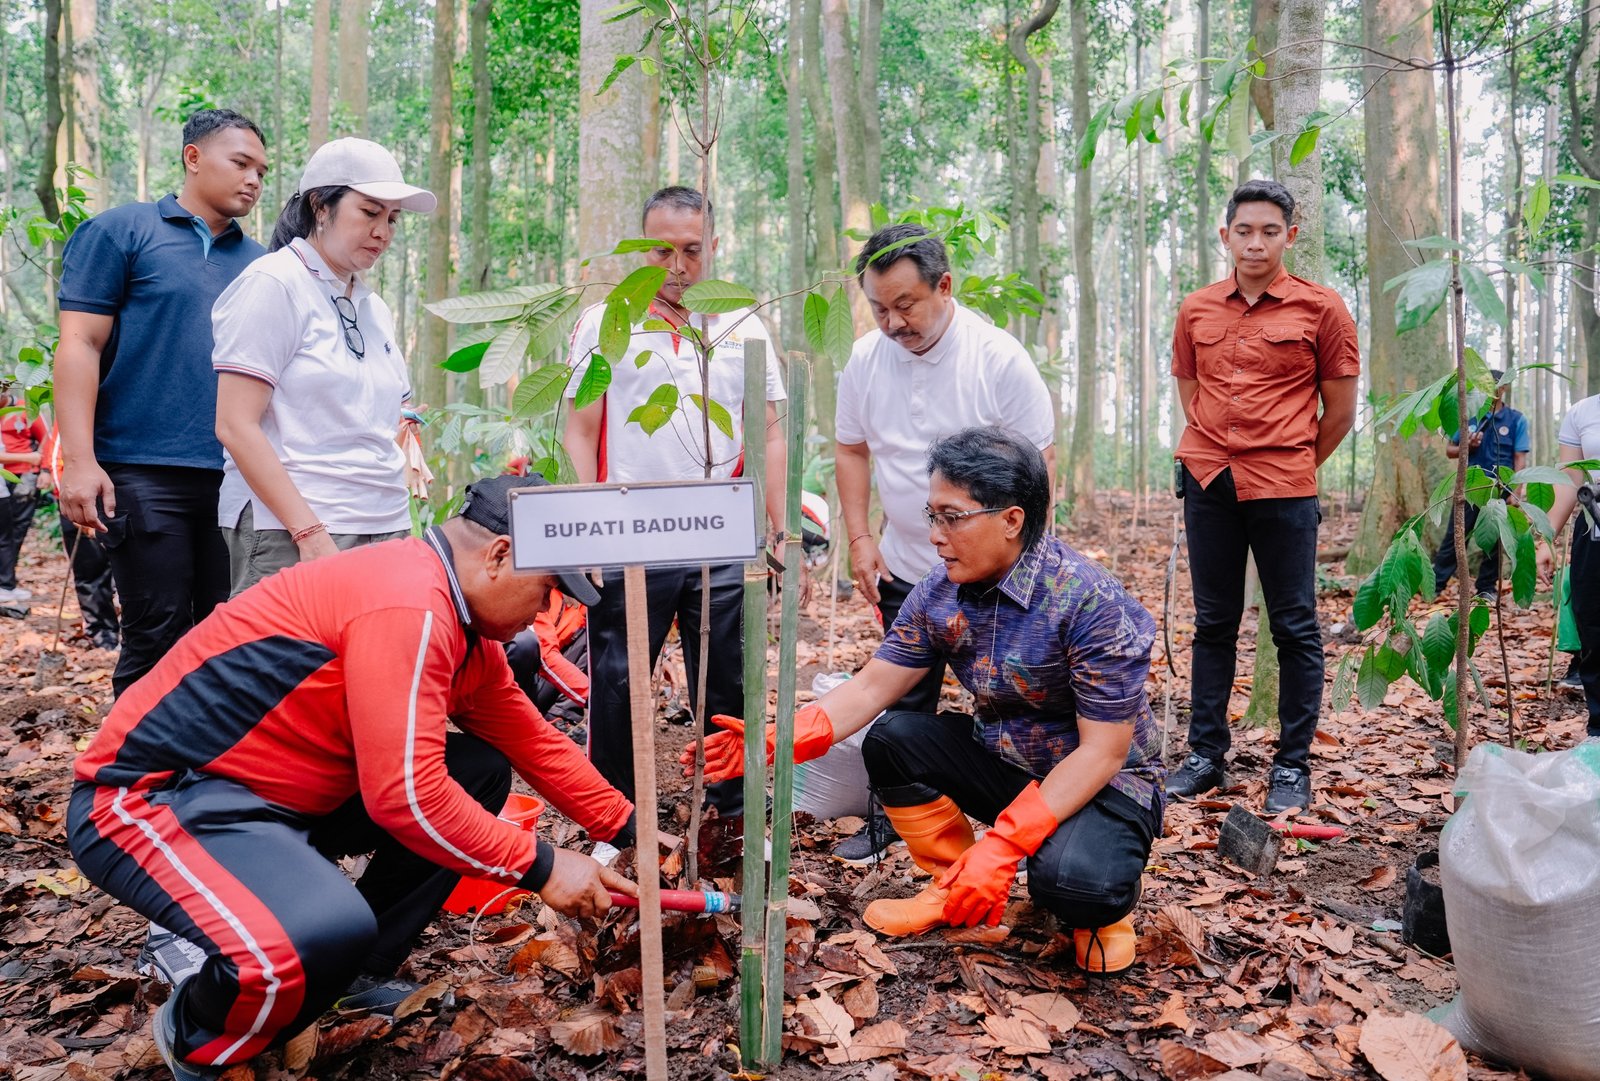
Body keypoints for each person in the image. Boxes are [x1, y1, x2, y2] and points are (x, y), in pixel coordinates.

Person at [67, 475, 640, 1081]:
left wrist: (629, 828)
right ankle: (200, 1037)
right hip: (152, 799)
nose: (545, 614)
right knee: (310, 938)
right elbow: (408, 798)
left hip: (274, 801)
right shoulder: (409, 603)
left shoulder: (459, 620)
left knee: (479, 769)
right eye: (548, 591)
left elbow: (531, 738)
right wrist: (544, 865)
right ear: (499, 556)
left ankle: (357, 973)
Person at [684, 427, 1162, 975]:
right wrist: (781, 737)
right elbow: (871, 687)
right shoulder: (937, 592)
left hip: (1101, 783)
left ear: (1012, 520)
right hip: (1008, 766)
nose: (934, 535)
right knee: (895, 738)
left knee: (1073, 886)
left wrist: (1003, 846)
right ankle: (954, 886)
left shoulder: (1091, 602)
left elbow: (1103, 752)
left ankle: (1097, 912)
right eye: (931, 515)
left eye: (951, 517)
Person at [562, 185, 786, 825]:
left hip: (721, 530)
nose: (677, 266)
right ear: (639, 250)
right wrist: (589, 525)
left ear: (714, 247)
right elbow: (581, 430)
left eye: (691, 250)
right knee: (617, 677)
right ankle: (613, 816)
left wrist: (779, 526)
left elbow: (766, 431)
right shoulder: (608, 321)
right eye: (660, 251)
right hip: (631, 531)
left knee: (727, 680)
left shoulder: (743, 322)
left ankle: (733, 810)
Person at [832, 223, 1056, 864]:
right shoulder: (865, 361)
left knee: (1011, 693)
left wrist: (1023, 563)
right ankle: (890, 818)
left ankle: (1034, 817)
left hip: (995, 571)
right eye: (879, 308)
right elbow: (851, 448)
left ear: (945, 286)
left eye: (906, 304)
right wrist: (859, 535)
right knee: (901, 694)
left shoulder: (997, 357)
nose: (893, 321)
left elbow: (1038, 466)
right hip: (906, 562)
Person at [54, 109, 269, 696]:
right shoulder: (122, 231)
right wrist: (78, 460)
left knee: (227, 636)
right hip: (142, 471)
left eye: (262, 170)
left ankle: (202, 779)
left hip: (238, 477)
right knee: (158, 632)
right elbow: (79, 342)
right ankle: (125, 778)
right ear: (192, 158)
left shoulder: (264, 268)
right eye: (241, 163)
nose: (254, 179)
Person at [1166, 179, 1359, 814]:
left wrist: (1289, 460)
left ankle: (1292, 765)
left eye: (1270, 231)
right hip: (1208, 483)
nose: (1256, 242)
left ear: (1290, 238)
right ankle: (1204, 756)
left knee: (1295, 625)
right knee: (1214, 622)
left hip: (1284, 488)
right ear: (1226, 236)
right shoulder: (1196, 309)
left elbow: (1339, 412)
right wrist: (1216, 454)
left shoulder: (1321, 308)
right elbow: (1191, 393)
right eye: (1244, 230)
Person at [212, 137, 434, 595]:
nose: (384, 232)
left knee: (371, 666)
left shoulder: (375, 308)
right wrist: (309, 535)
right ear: (320, 206)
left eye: (393, 219)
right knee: (292, 667)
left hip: (385, 527)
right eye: (370, 212)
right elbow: (235, 424)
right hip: (293, 530)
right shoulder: (273, 284)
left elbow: (390, 416)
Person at [1430, 371, 1530, 600]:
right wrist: (1468, 445)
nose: (1492, 390)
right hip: (1471, 488)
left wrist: (1516, 492)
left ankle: (1486, 588)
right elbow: (1450, 451)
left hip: (1499, 491)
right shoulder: (1470, 416)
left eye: (1496, 386)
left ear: (1504, 389)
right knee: (1455, 537)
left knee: (1494, 539)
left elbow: (1519, 459)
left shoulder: (1516, 420)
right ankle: (1436, 584)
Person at [1548, 392, 1600, 740]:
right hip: (1593, 531)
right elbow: (1569, 483)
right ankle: (1598, 729)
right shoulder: (1583, 411)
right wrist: (1545, 537)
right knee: (1593, 627)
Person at [42, 423, 120, 649]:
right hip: (82, 502)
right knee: (91, 572)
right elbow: (57, 459)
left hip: (122, 498)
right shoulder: (73, 417)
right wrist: (76, 508)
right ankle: (102, 635)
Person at [0, 388, 48, 603]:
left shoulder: (25, 410)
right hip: (3, 476)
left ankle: (7, 580)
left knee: (16, 530)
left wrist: (45, 470)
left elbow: (47, 437)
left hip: (24, 476)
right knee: (5, 532)